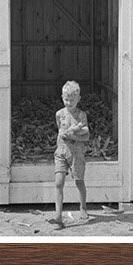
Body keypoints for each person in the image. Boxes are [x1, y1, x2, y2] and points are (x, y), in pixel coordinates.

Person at [51, 80, 90, 227]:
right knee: (58, 182)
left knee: (79, 181)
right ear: (62, 97)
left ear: (78, 99)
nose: (68, 103)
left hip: (76, 154)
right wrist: (66, 135)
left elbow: (86, 136)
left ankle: (83, 207)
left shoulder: (81, 116)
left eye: (72, 100)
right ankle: (58, 215)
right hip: (61, 152)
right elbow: (59, 129)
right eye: (66, 99)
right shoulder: (59, 114)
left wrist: (72, 135)